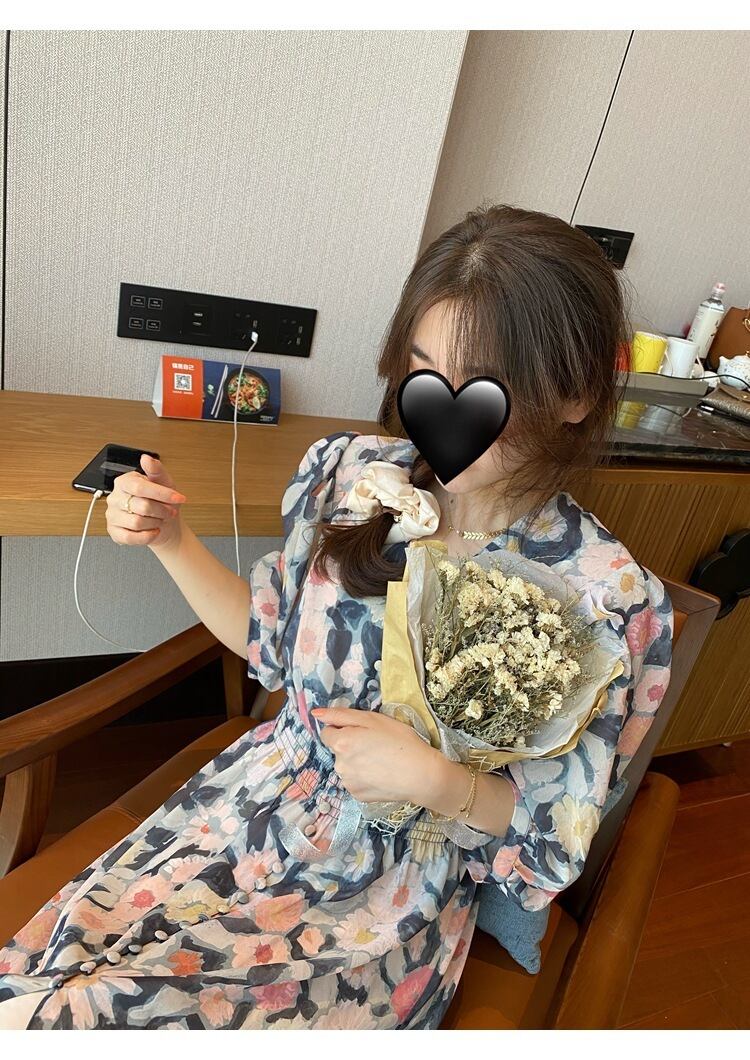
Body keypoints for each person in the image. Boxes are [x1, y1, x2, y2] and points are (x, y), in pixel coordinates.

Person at [0, 203, 673, 1029]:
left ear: (575, 394)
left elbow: (556, 830)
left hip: (385, 897)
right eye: (425, 370)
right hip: (252, 804)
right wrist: (171, 539)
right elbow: (271, 643)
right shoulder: (354, 476)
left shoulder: (603, 594)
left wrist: (439, 782)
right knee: (44, 992)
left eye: (486, 383)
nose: (443, 407)